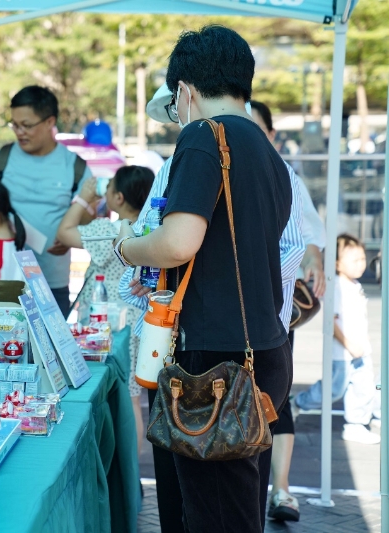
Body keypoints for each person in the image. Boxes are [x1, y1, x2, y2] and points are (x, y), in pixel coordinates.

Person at [114, 26, 302, 532]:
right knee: (235, 511)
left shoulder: (202, 136)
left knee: (214, 516)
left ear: (185, 91)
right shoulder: (270, 156)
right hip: (262, 351)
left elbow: (179, 240)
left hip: (214, 364)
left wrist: (125, 248)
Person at [249, 100, 327, 523]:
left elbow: (310, 234)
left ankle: (279, 489)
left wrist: (313, 256)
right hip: (232, 314)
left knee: (275, 397)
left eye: (256, 129)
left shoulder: (286, 176)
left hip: (273, 313)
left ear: (273, 135)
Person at [57, 165, 155, 451]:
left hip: (106, 325)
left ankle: (118, 467)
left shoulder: (108, 229)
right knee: (132, 399)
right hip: (138, 321)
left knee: (103, 395)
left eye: (109, 188)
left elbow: (65, 232)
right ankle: (132, 474)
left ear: (119, 198)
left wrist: (83, 199)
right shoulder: (149, 230)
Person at [0, 86, 92, 317]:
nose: (19, 132)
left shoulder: (76, 167)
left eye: (27, 125)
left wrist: (71, 236)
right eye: (15, 125)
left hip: (52, 285)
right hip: (3, 282)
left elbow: (89, 223)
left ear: (50, 121)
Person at [293, 234, 381, 444]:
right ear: (337, 264)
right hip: (343, 353)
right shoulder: (338, 287)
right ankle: (299, 402)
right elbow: (332, 323)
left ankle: (356, 424)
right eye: (355, 260)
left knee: (363, 387)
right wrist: (349, 345)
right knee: (333, 389)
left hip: (360, 350)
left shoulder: (354, 285)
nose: (361, 264)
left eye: (362, 259)